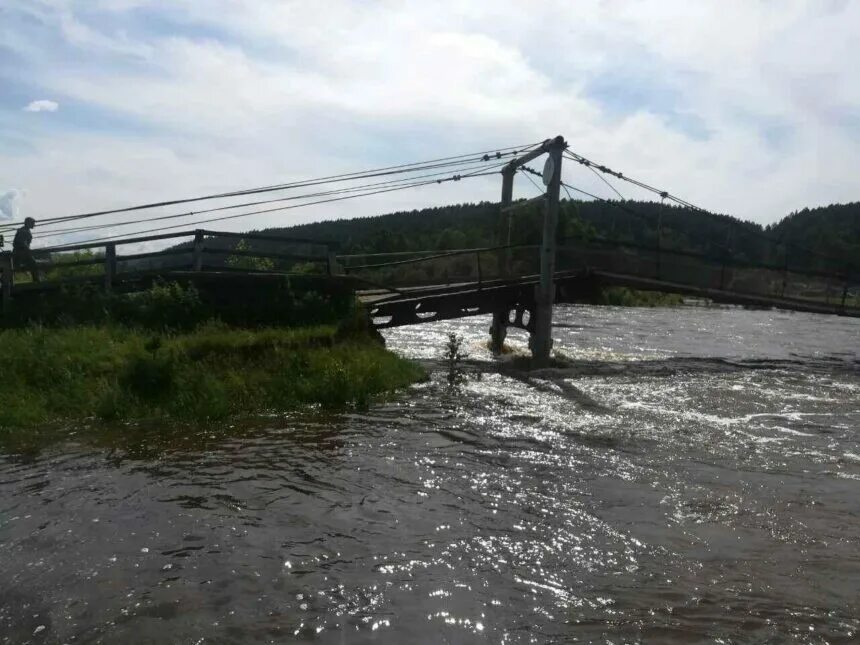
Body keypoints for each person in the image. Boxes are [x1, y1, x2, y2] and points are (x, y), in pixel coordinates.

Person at [13, 217, 40, 283]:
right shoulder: (23, 231)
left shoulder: (24, 230)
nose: (34, 225)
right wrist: (28, 250)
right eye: (33, 223)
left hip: (22, 252)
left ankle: (35, 280)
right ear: (28, 223)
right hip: (21, 252)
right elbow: (21, 243)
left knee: (32, 264)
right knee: (33, 263)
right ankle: (36, 281)